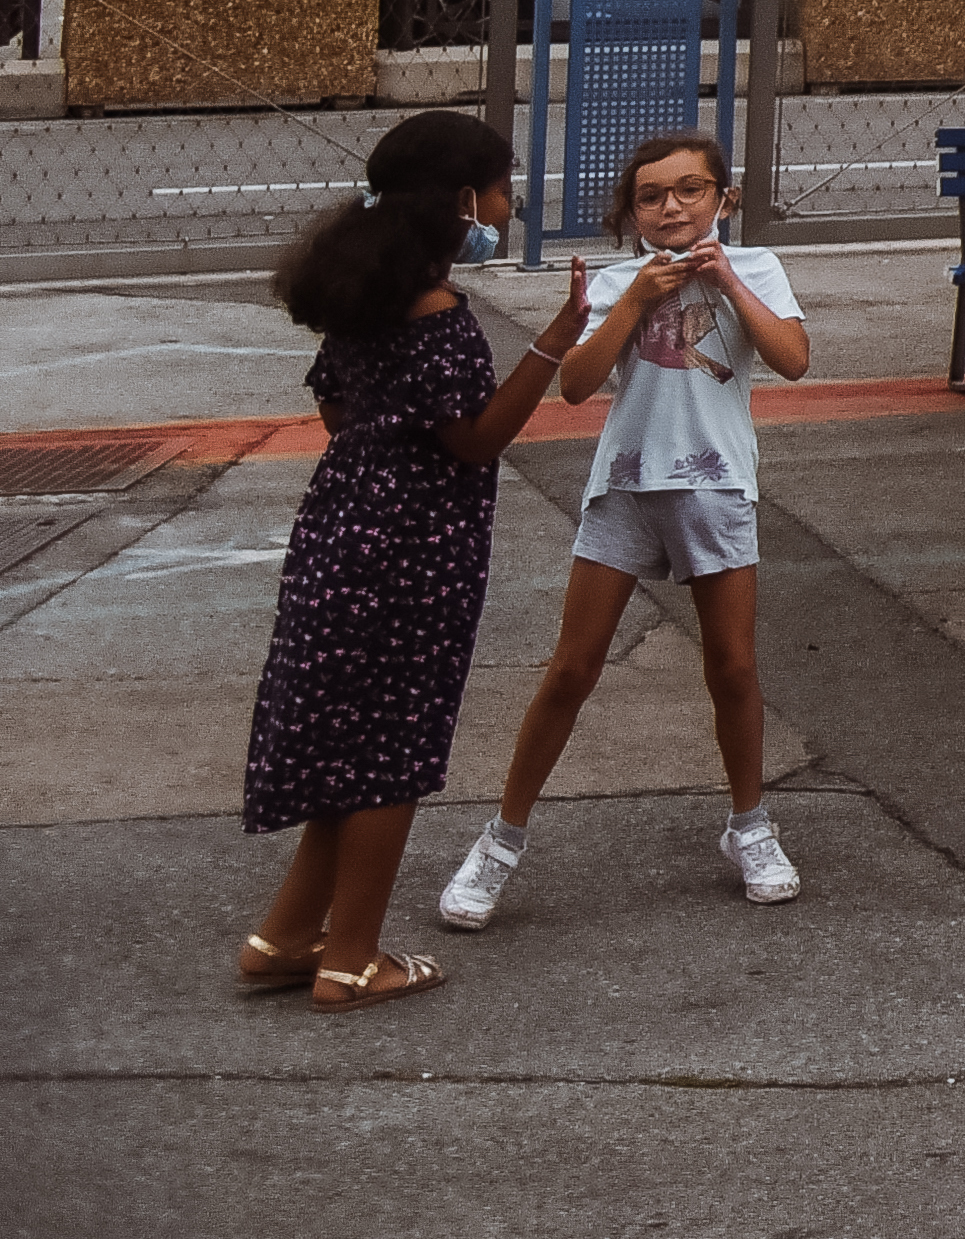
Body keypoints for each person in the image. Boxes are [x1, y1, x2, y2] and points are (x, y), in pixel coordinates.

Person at [236, 110, 586, 1009]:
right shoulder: (438, 315)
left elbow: (339, 414)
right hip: (417, 548)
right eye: (502, 188)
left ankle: (284, 936)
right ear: (464, 199)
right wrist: (553, 339)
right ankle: (353, 961)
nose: (507, 204)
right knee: (390, 750)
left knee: (344, 745)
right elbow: (474, 443)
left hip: (340, 530)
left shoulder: (358, 292)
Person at [438, 132, 810, 928]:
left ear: (724, 199)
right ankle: (501, 841)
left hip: (716, 486)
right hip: (626, 484)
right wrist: (636, 298)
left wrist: (728, 282)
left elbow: (793, 358)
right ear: (630, 211)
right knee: (571, 670)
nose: (672, 207)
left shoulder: (758, 268)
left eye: (690, 191)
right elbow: (574, 385)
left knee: (734, 669)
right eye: (651, 196)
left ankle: (750, 827)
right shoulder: (613, 281)